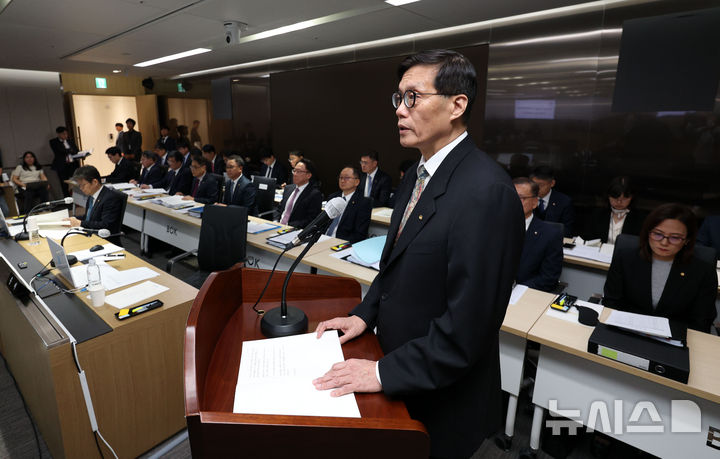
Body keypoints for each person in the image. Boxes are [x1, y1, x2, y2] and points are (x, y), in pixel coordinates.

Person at [313, 49, 524, 458]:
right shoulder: (416, 175)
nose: (399, 110)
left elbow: (468, 329)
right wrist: (364, 314)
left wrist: (380, 371)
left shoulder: (487, 192)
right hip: (402, 369)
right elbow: (394, 267)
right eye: (398, 98)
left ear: (457, 105)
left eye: (413, 97)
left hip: (444, 397)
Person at [603, 203, 717, 333]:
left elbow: (701, 321)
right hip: (626, 330)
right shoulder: (625, 258)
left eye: (675, 238)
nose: (664, 242)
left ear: (687, 240)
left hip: (675, 339)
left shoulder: (703, 272)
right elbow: (611, 303)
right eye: (657, 234)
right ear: (648, 233)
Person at [513, 177, 563, 292]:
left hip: (526, 294)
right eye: (511, 197)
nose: (514, 201)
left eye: (521, 198)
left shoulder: (550, 234)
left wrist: (518, 290)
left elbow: (548, 278)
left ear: (535, 202)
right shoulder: (495, 227)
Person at [65, 165, 125, 245]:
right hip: (91, 235)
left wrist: (80, 223)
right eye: (79, 185)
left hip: (105, 241)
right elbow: (88, 217)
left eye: (83, 185)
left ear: (95, 182)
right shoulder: (92, 195)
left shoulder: (110, 198)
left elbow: (105, 225)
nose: (81, 188)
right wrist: (72, 219)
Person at [584, 176, 646, 244]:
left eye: (624, 198)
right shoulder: (597, 214)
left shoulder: (639, 219)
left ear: (632, 197)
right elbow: (588, 239)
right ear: (608, 196)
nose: (619, 202)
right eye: (615, 198)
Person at [325, 166, 372, 243]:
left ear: (357, 182)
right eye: (341, 178)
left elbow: (360, 234)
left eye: (346, 178)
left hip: (342, 242)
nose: (342, 181)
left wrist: (341, 244)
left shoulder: (363, 203)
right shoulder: (332, 197)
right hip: (323, 238)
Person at [275, 158, 322, 228]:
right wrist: (275, 221)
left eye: (299, 171)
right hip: (277, 226)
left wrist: (289, 226)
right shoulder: (288, 188)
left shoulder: (314, 194)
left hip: (293, 230)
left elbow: (311, 220)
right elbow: (279, 209)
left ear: (308, 175)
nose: (295, 174)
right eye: (294, 171)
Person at [530, 165, 575, 237]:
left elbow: (567, 230)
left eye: (541, 185)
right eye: (534, 184)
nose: (537, 188)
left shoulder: (564, 201)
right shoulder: (527, 198)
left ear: (552, 183)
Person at [49, 126, 80, 196]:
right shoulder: (53, 142)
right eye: (63, 134)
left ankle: (78, 198)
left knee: (75, 181)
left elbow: (76, 150)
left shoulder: (70, 141)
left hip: (73, 164)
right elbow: (60, 151)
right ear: (58, 134)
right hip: (62, 165)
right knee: (64, 184)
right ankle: (67, 200)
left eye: (66, 133)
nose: (65, 135)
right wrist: (70, 150)